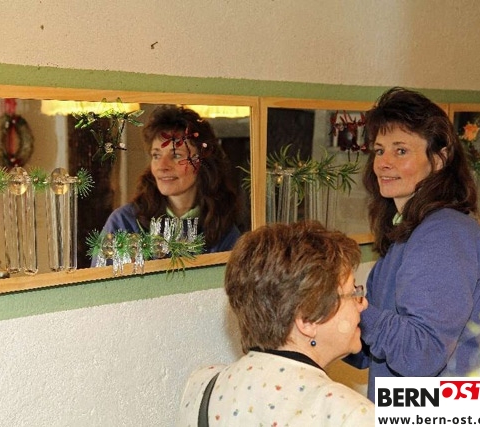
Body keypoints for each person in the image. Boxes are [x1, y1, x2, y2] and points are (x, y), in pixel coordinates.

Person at [345, 87, 480, 401]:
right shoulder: (408, 232)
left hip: (443, 413)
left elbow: (420, 355)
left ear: (439, 159)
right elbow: (371, 351)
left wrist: (349, 307)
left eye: (401, 151)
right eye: (379, 150)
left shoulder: (444, 234)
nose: (384, 163)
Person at [177, 221, 374, 426]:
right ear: (307, 319)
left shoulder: (202, 387)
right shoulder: (352, 415)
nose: (363, 304)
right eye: (353, 292)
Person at [93, 105, 242, 265]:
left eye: (176, 155)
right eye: (156, 155)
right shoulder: (124, 223)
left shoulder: (223, 230)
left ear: (203, 162)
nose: (162, 166)